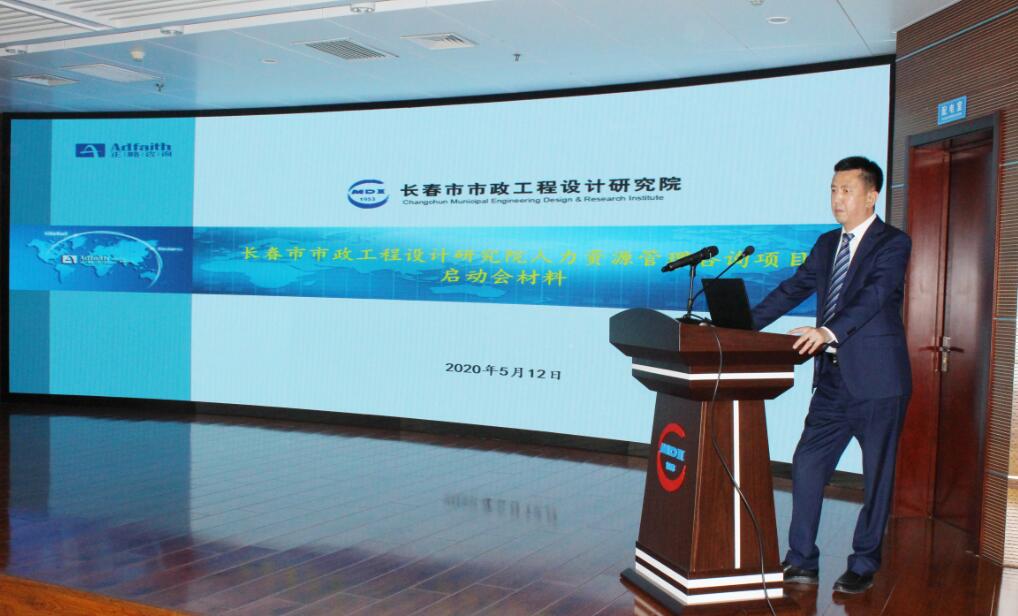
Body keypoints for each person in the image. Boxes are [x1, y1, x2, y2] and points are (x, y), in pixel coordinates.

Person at [750, 156, 911, 595]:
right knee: (807, 465)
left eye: (846, 190)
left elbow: (874, 296)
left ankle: (863, 563)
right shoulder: (826, 244)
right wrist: (739, 326)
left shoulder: (893, 243)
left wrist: (826, 331)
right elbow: (792, 289)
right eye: (833, 190)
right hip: (832, 381)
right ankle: (801, 560)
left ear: (871, 196)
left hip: (879, 382)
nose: (837, 199)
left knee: (876, 477)